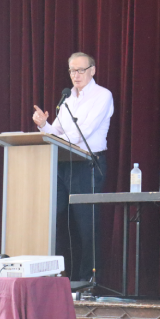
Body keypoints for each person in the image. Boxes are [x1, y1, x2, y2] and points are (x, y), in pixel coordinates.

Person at [32, 52, 114, 281]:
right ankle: (53, 277)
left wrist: (56, 134)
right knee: (55, 221)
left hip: (87, 164)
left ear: (92, 70)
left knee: (86, 225)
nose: (75, 75)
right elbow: (56, 133)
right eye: (71, 71)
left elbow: (82, 133)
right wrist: (43, 125)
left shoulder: (102, 95)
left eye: (80, 70)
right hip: (63, 164)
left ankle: (88, 281)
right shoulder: (68, 99)